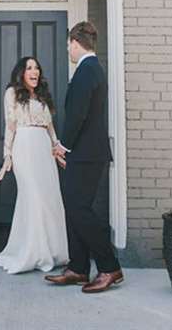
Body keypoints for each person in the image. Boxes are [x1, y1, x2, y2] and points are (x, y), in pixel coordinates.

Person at [44, 21, 124, 294]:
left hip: (87, 154)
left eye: (68, 44)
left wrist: (62, 146)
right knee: (75, 209)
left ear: (76, 43)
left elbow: (78, 114)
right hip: (85, 153)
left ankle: (109, 267)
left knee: (80, 210)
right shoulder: (90, 69)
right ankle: (78, 268)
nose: (67, 49)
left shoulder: (87, 70)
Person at [0, 57, 69, 274]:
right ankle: (32, 252)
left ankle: (53, 251)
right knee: (32, 197)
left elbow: (50, 127)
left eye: (37, 68)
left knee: (49, 198)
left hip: (43, 148)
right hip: (24, 147)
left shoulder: (42, 95)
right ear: (21, 73)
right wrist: (7, 157)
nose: (35, 71)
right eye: (29, 68)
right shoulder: (12, 93)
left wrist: (57, 147)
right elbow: (10, 126)